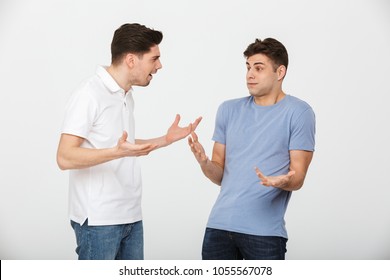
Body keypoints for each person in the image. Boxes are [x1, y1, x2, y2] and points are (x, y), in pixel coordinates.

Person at [56, 23, 201, 260]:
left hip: (131, 217)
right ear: (132, 60)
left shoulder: (125, 94)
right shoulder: (89, 93)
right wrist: (117, 152)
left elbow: (124, 144)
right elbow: (64, 157)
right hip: (99, 222)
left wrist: (165, 139)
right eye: (154, 59)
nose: (160, 66)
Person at [188, 38, 315, 260]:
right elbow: (219, 175)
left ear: (280, 72)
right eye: (248, 67)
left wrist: (282, 181)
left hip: (264, 234)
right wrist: (205, 163)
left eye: (258, 68)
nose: (250, 74)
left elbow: (298, 177)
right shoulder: (228, 110)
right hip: (218, 228)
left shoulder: (299, 113)